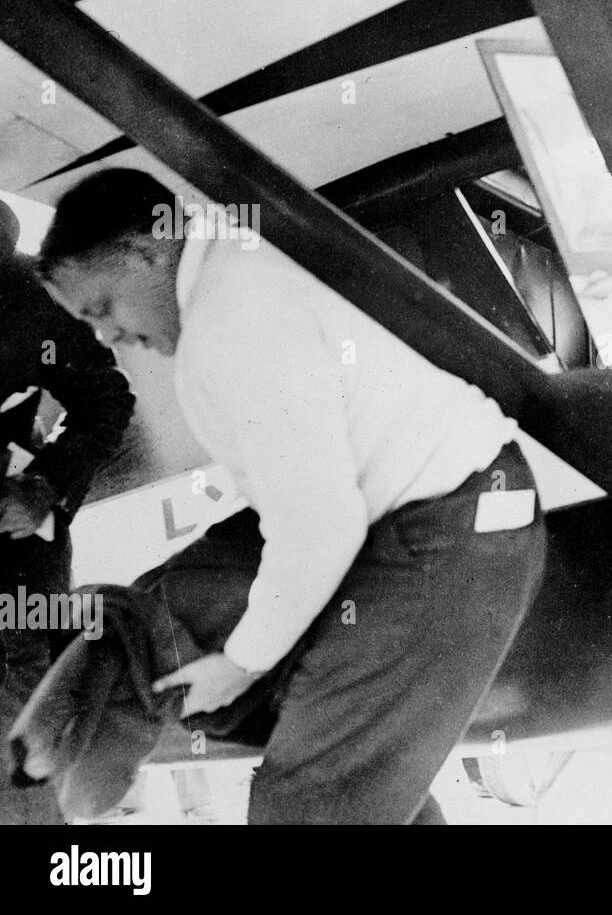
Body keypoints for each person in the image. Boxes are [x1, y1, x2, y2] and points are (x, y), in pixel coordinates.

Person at [39, 169, 547, 824]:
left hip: (448, 529)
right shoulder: (231, 276)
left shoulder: (233, 317)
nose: (106, 336)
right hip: (427, 513)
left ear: (148, 250)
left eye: (103, 308)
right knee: (329, 762)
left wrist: (241, 663)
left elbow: (318, 527)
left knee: (304, 808)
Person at [0, 198, 134, 824]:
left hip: (12, 544)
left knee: (19, 714)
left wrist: (44, 486)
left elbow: (105, 399)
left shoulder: (31, 296)